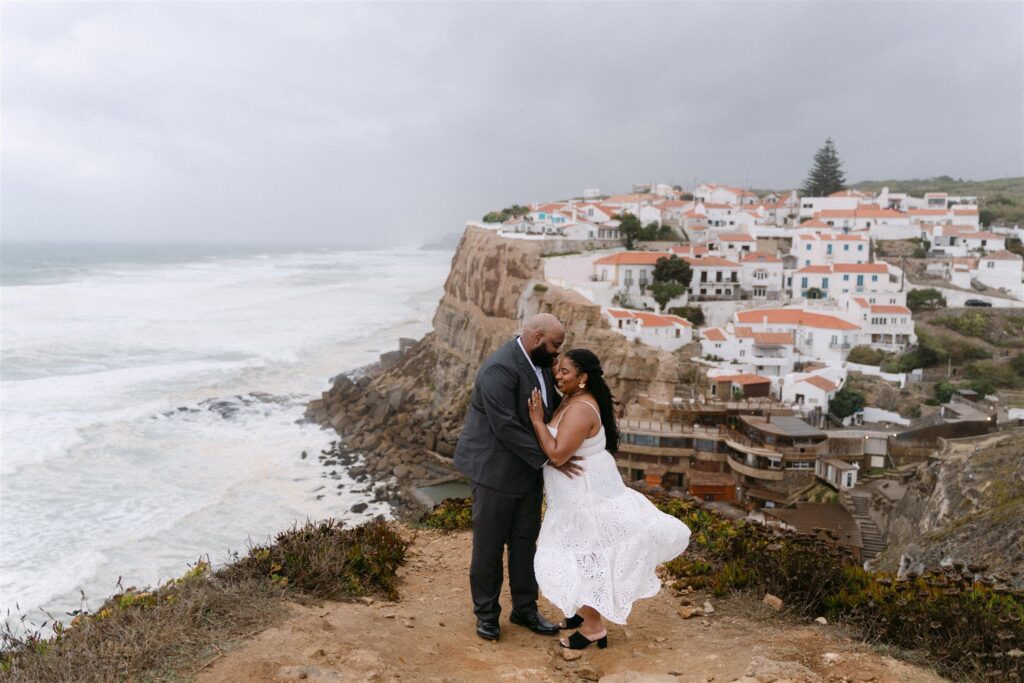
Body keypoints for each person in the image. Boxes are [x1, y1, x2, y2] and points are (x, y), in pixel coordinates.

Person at [528, 348, 691, 650]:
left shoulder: (579, 408)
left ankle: (593, 628)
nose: (558, 375)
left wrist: (537, 420)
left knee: (569, 557)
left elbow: (557, 453)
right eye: (558, 369)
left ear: (583, 378)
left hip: (584, 500)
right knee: (583, 556)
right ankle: (582, 614)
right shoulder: (573, 399)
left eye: (565, 371)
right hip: (577, 497)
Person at [453, 313, 582, 642]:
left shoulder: (539, 363)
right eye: (555, 345)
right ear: (538, 337)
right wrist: (550, 460)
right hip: (495, 473)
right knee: (489, 548)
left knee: (525, 545)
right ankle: (487, 615)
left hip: (527, 475)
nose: (557, 353)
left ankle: (525, 609)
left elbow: (550, 414)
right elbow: (506, 427)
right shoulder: (500, 368)